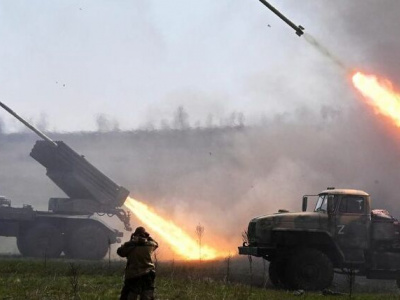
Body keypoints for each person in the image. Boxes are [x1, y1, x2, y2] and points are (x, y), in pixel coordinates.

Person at [117, 226, 158, 300]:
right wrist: (148, 237)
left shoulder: (129, 246)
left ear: (135, 235)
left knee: (128, 296)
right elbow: (156, 244)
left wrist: (131, 241)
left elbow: (120, 251)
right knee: (147, 296)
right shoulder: (150, 245)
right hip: (148, 275)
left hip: (132, 276)